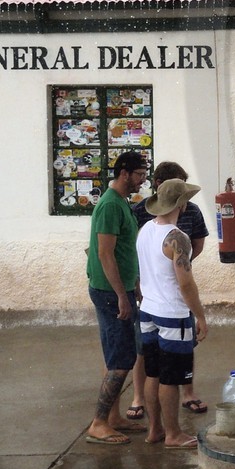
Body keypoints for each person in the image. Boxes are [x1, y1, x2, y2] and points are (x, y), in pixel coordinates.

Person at [126, 161, 211, 417]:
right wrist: (201, 316)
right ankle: (173, 433)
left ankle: (155, 430)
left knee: (153, 373)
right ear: (181, 204)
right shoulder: (178, 238)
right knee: (171, 379)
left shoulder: (144, 230)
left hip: (148, 310)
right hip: (172, 312)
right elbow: (185, 284)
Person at [84, 150, 149, 445]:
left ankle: (113, 418)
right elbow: (104, 253)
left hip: (119, 289)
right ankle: (99, 423)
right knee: (120, 360)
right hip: (110, 293)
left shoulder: (121, 203)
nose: (143, 180)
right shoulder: (110, 206)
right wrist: (122, 295)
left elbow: (125, 251)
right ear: (124, 173)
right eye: (139, 175)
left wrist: (133, 283)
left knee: (122, 354)